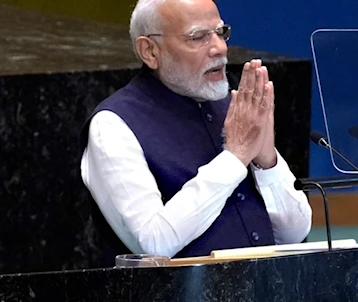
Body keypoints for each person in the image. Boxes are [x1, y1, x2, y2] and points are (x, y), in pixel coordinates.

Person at [79, 0, 312, 259]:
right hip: (177, 299)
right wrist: (235, 158)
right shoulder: (112, 125)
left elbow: (294, 234)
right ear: (150, 52)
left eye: (221, 33)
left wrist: (266, 162)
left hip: (267, 293)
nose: (219, 48)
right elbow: (152, 242)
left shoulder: (234, 107)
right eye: (198, 37)